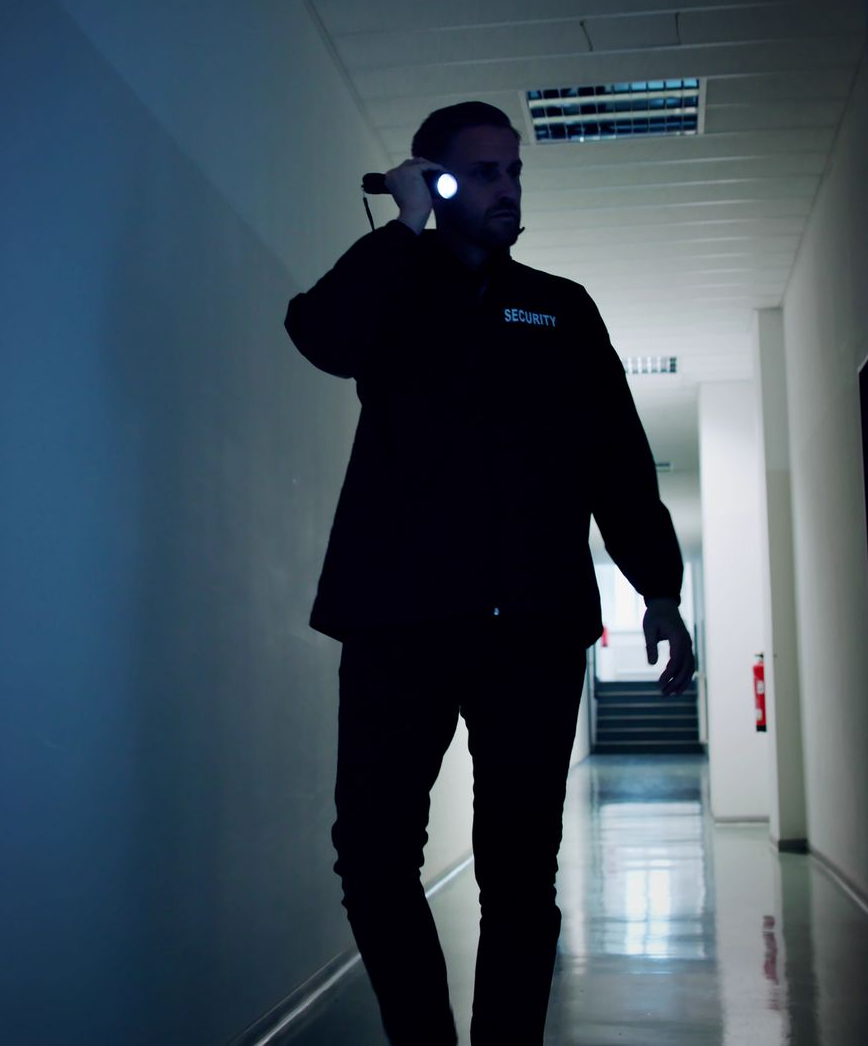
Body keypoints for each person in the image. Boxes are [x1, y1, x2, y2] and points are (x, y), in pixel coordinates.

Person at [283, 100, 696, 1046]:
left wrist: (660, 589)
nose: (509, 190)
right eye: (485, 173)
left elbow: (618, 462)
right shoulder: (392, 288)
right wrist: (401, 231)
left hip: (534, 633)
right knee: (374, 857)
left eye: (516, 172)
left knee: (518, 873)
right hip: (399, 625)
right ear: (435, 179)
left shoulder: (560, 308)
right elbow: (320, 335)